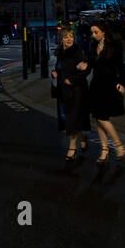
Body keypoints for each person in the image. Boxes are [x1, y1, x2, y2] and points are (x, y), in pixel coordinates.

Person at [77, 19, 125, 163]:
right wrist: (83, 66)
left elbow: (120, 67)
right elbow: (90, 65)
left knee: (103, 118)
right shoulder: (93, 46)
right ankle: (105, 148)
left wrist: (122, 83)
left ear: (103, 32)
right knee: (98, 118)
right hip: (96, 85)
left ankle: (118, 145)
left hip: (109, 85)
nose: (93, 35)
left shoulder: (113, 46)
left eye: (96, 32)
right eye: (92, 32)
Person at [51, 25, 90, 162]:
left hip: (76, 91)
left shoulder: (77, 52)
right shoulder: (60, 53)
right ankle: (82, 137)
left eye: (71, 37)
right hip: (63, 91)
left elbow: (86, 70)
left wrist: (71, 80)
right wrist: (55, 73)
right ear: (61, 39)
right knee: (69, 118)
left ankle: (72, 148)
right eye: (66, 37)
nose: (69, 39)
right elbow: (59, 68)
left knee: (72, 118)